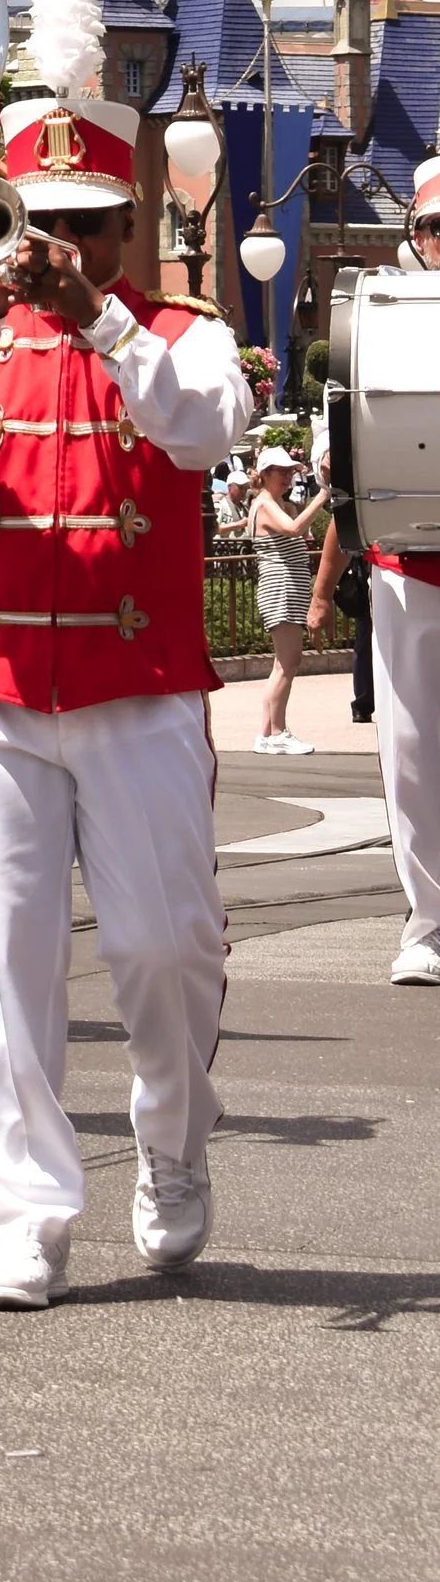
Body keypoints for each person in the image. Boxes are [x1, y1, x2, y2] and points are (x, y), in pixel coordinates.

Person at [0, 0, 255, 1311]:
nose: (62, 243)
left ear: (130, 224)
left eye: (92, 218)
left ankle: (171, 1138)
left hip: (139, 689)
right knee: (12, 953)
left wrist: (101, 319)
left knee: (167, 949)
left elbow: (205, 424)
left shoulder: (179, 327)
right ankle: (26, 1212)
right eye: (43, 215)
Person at [314, 155, 440, 987]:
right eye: (434, 227)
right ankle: (427, 921)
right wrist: (336, 463)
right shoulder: (385, 309)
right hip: (409, 565)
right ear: (414, 236)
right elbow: (342, 430)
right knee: (413, 750)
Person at [249, 443, 330, 755]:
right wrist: (323, 495)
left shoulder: (273, 503)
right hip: (280, 590)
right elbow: (295, 529)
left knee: (281, 665)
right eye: (281, 471)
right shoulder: (266, 505)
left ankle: (268, 733)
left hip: (287, 590)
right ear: (266, 473)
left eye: (290, 471)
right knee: (289, 662)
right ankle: (278, 732)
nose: (287, 476)